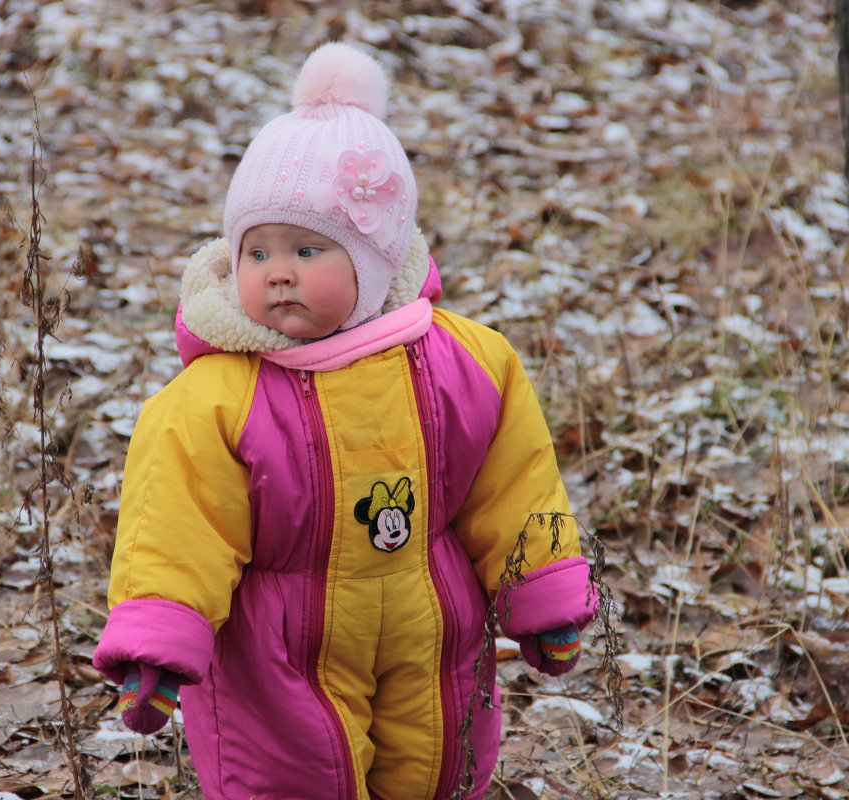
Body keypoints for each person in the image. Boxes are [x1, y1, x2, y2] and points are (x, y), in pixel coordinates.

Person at [93, 42, 595, 800]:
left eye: (307, 248)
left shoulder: (465, 361)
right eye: (255, 250)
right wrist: (159, 644)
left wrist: (544, 596)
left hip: (433, 632)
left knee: (437, 770)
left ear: (376, 257)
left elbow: (517, 486)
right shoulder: (214, 399)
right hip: (277, 648)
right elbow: (176, 523)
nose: (278, 271)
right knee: (291, 779)